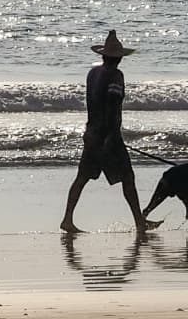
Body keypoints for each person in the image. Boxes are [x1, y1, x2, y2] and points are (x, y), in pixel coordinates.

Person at [61, 30, 162, 234]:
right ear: (119, 58)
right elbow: (112, 106)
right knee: (128, 178)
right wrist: (112, 137)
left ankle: (67, 219)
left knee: (82, 178)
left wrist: (95, 133)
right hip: (108, 136)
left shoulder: (93, 73)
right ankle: (140, 223)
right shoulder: (116, 75)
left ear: (102, 55)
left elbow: (93, 103)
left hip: (91, 133)